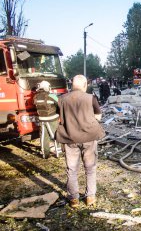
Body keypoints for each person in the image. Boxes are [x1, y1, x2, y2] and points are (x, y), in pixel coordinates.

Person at [56, 74, 105, 208]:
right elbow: (98, 117)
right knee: (90, 168)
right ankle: (90, 197)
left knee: (71, 169)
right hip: (89, 137)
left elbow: (58, 117)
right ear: (85, 85)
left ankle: (74, 199)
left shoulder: (61, 99)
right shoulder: (91, 98)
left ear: (72, 85)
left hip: (69, 138)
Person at [33, 80, 59, 158]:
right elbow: (59, 104)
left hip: (42, 119)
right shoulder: (52, 96)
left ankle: (45, 154)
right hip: (52, 119)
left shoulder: (35, 97)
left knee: (44, 137)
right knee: (56, 135)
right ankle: (59, 151)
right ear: (48, 87)